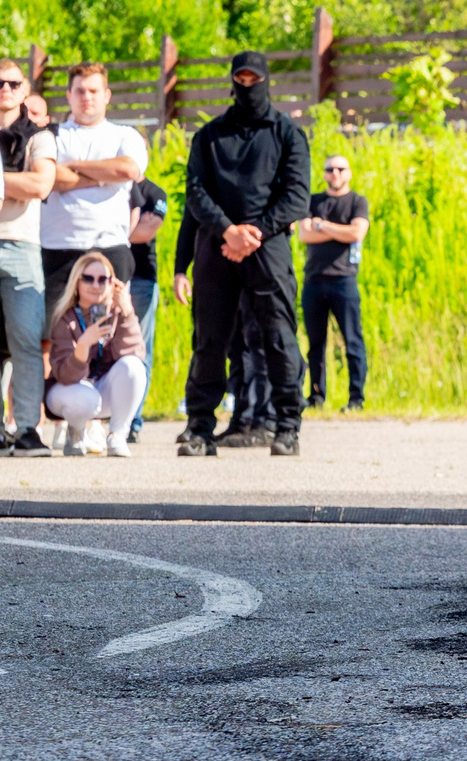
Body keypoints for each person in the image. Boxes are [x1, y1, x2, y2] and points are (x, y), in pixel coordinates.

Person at [179, 51, 309, 458]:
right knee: (209, 340)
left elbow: (297, 196)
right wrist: (228, 231)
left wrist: (255, 232)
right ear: (232, 82)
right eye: (242, 80)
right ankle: (200, 429)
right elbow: (196, 193)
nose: (248, 87)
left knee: (279, 338)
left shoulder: (287, 133)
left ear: (267, 81)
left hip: (266, 247)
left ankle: (287, 428)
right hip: (217, 246)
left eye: (255, 80)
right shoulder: (210, 136)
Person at [39, 63, 149, 305]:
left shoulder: (125, 135)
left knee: (109, 335)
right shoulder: (50, 134)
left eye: (94, 91)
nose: (86, 97)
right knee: (55, 336)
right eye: (80, 91)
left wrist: (73, 165)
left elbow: (127, 168)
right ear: (68, 95)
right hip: (57, 249)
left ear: (107, 95)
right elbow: (48, 177)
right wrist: (105, 175)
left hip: (109, 247)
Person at [0, 56, 58, 457]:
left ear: (24, 89)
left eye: (12, 83)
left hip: (20, 246)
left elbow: (40, 182)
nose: (4, 89)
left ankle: (26, 429)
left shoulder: (39, 137)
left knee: (24, 341)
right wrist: (11, 185)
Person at [42, 248, 144, 456]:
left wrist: (127, 312)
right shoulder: (65, 317)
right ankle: (76, 431)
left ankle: (117, 435)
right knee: (85, 398)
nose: (96, 285)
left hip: (101, 390)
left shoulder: (117, 313)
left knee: (134, 367)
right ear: (77, 282)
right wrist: (82, 346)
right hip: (68, 392)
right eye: (88, 278)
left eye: (102, 279)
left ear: (112, 283)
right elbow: (64, 375)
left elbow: (135, 354)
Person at [296, 153, 370, 411]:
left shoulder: (357, 202)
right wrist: (339, 231)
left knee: (353, 341)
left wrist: (323, 226)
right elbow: (304, 234)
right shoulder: (313, 201)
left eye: (340, 169)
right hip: (314, 281)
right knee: (315, 344)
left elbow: (357, 232)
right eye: (329, 169)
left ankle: (356, 398)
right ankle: (316, 396)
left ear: (348, 172)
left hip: (344, 280)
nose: (334, 173)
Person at [124, 172, 169, 440]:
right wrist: (133, 225)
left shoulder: (155, 193)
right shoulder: (111, 186)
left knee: (139, 349)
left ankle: (134, 421)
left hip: (141, 279)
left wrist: (112, 230)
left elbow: (146, 231)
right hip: (104, 277)